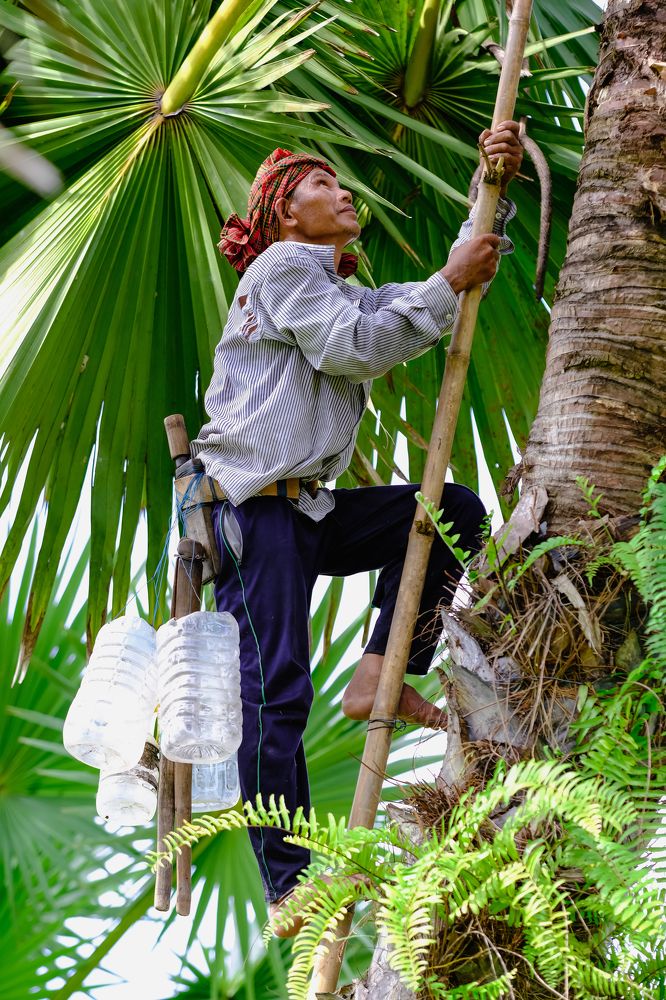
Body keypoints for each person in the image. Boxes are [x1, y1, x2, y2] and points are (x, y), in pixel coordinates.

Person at [191, 122, 523, 935]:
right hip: (253, 508)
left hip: (307, 508)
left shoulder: (332, 284)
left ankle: (382, 669)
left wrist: (493, 188)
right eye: (322, 184)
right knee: (276, 688)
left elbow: (417, 301)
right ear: (286, 216)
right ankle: (286, 879)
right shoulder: (281, 268)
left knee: (451, 510)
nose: (343, 192)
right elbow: (355, 348)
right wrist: (447, 281)